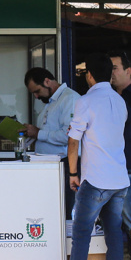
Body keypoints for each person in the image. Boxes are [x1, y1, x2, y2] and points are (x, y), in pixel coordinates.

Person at [39, 53, 127, 260]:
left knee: (81, 232)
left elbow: (74, 140)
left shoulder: (86, 101)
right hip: (118, 179)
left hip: (96, 178)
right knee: (113, 235)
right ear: (109, 74)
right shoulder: (119, 102)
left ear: (89, 75)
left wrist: (73, 173)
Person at [23, 67, 80, 217]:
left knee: (65, 210)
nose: (36, 96)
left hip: (65, 164)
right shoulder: (51, 102)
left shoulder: (69, 99)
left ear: (47, 81)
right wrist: (33, 133)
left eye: (37, 91)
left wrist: (38, 133)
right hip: (51, 165)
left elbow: (69, 136)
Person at [109, 51, 131, 260]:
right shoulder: (116, 96)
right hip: (123, 170)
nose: (111, 73)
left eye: (115, 68)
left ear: (128, 71)